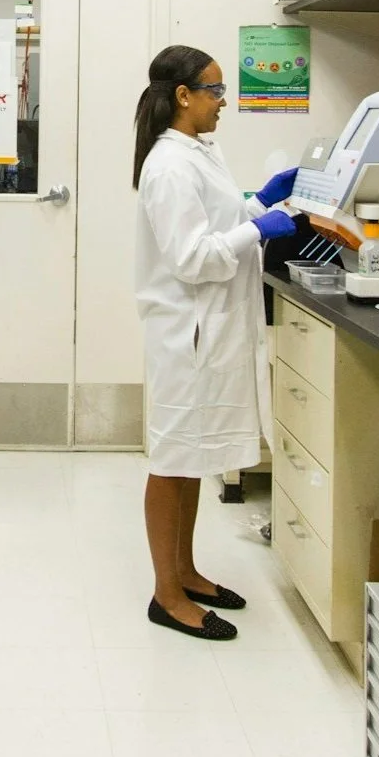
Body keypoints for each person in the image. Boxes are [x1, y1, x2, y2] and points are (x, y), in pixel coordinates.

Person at [133, 44, 297, 641]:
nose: (223, 102)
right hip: (186, 334)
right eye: (216, 91)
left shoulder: (199, 153)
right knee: (172, 460)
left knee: (192, 459)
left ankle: (187, 571)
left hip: (206, 330)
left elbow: (215, 224)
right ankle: (166, 594)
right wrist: (258, 229)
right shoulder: (170, 165)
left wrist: (259, 203)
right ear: (184, 96)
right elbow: (192, 256)